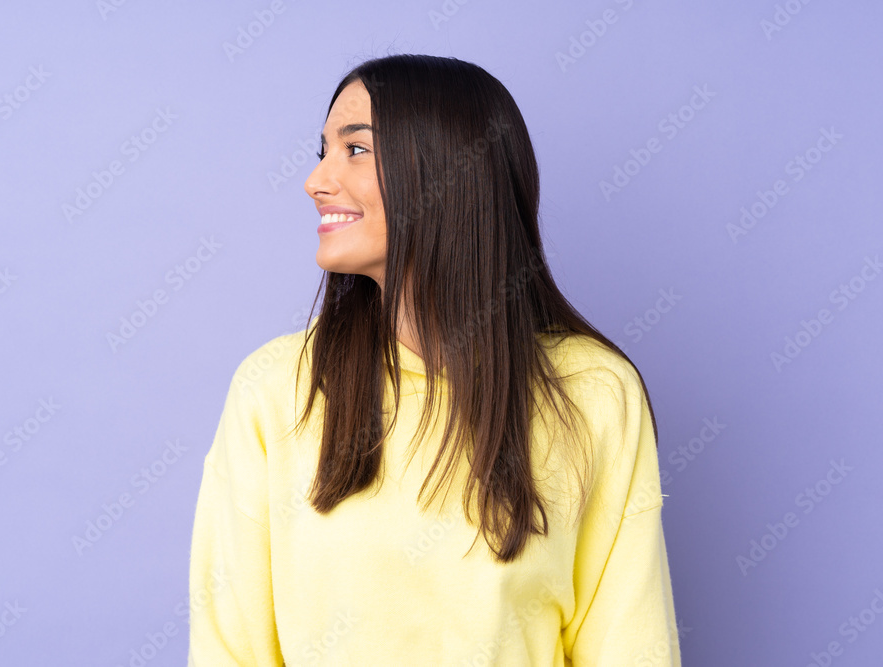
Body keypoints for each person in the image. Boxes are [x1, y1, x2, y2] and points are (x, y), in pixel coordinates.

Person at [187, 53, 680, 666]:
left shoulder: (593, 392)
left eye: (356, 149)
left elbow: (630, 645)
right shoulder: (273, 390)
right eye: (322, 151)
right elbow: (229, 651)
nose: (316, 180)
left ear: (449, 173)